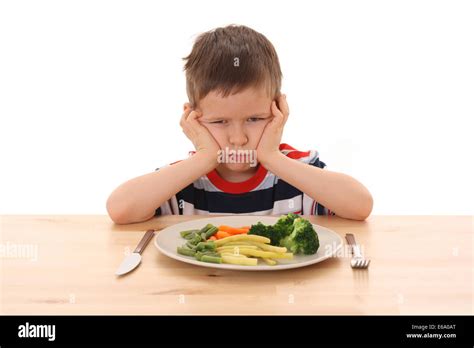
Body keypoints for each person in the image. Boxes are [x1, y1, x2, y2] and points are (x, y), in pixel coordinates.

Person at [106, 25, 373, 224]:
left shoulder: (297, 173)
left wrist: (272, 158)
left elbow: (360, 205)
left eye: (254, 119)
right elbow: (120, 209)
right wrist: (204, 158)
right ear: (194, 119)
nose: (238, 138)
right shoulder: (184, 181)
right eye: (219, 121)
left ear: (278, 110)